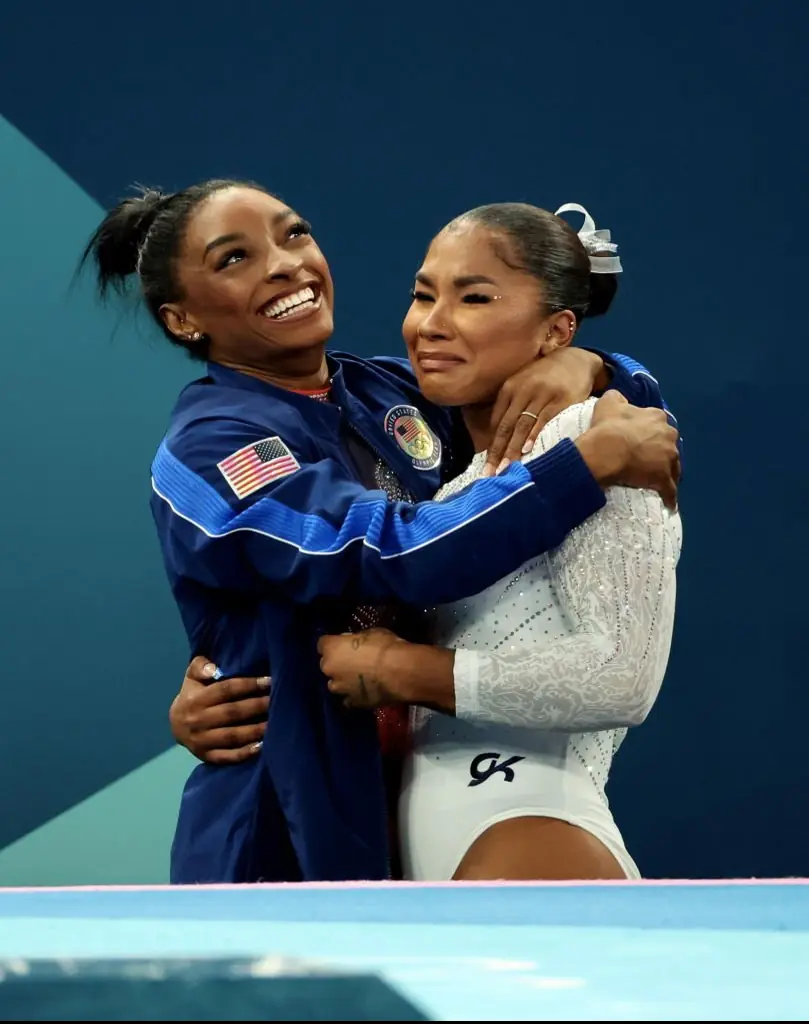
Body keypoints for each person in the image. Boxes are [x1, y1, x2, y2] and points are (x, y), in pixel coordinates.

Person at [83, 179, 679, 883]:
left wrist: (595, 366)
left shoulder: (386, 392)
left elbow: (562, 419)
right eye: (234, 258)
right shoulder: (211, 449)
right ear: (183, 320)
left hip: (435, 799)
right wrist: (582, 467)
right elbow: (387, 551)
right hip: (289, 835)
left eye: (293, 233)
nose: (284, 263)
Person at [316, 202, 681, 879]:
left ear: (555, 330)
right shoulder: (458, 477)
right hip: (441, 835)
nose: (430, 323)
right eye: (422, 294)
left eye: (473, 297)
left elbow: (622, 677)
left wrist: (406, 671)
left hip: (527, 831)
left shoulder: (601, 439)